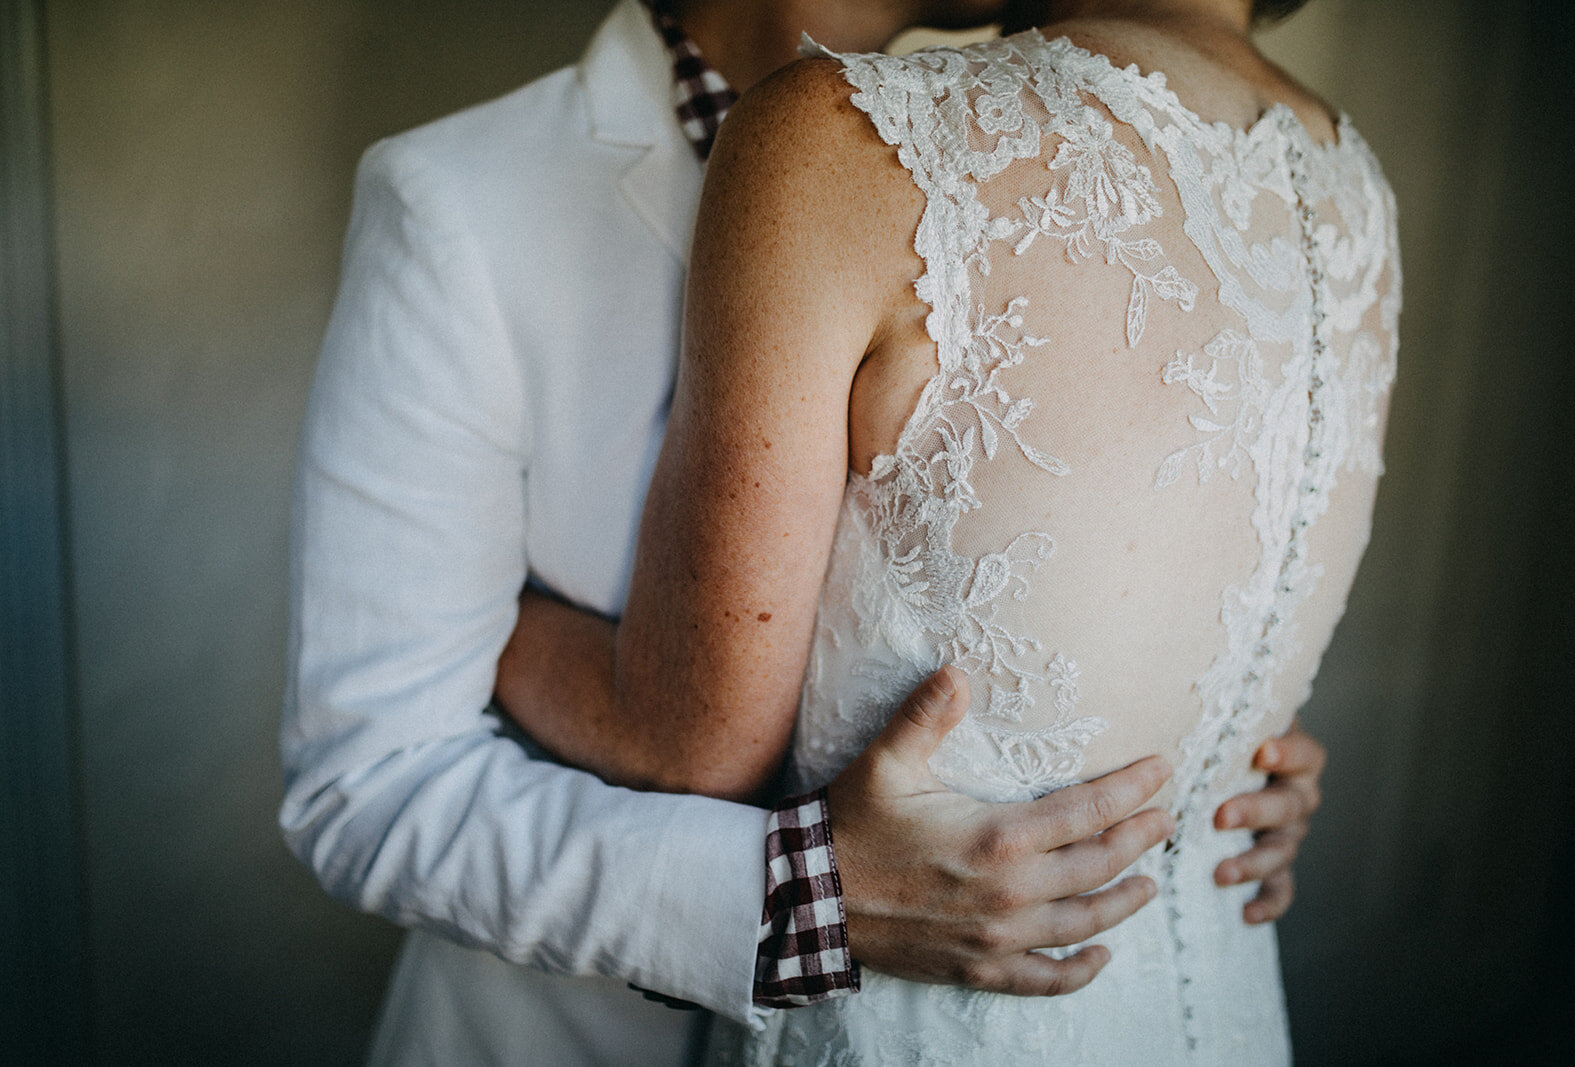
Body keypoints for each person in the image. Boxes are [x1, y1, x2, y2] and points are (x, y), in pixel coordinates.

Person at [281, 1, 1331, 1063]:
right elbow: (370, 784)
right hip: (571, 1033)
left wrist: (1201, 769)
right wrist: (795, 898)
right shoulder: (457, 198)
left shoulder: (1006, 178)